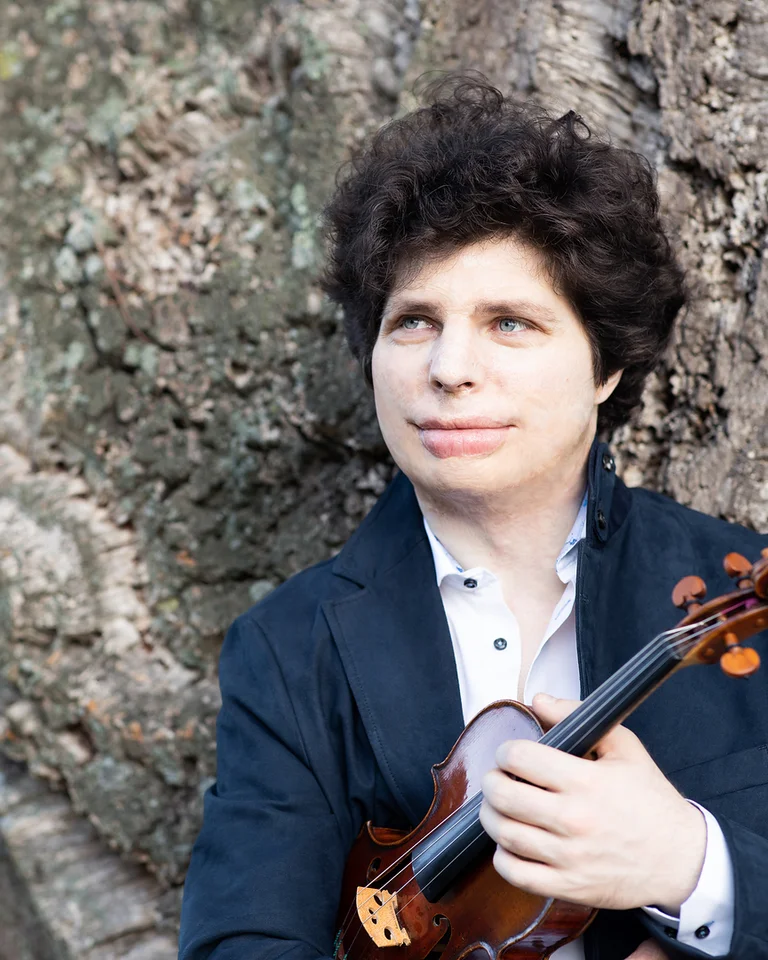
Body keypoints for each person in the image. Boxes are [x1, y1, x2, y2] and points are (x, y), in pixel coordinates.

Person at [177, 75, 768, 960]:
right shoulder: (288, 649)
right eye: (414, 321)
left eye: (510, 323)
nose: (450, 367)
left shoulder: (739, 590)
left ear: (605, 368)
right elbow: (240, 939)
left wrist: (692, 866)